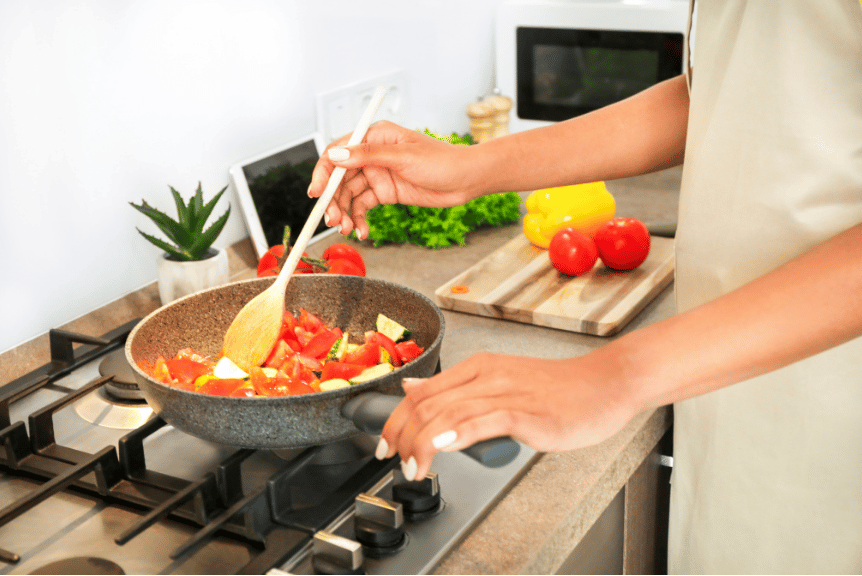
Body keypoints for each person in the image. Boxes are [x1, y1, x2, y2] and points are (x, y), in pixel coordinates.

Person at [308, 1, 862, 572]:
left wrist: (616, 375)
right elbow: (729, 93)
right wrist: (473, 168)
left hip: (833, 405)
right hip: (719, 369)